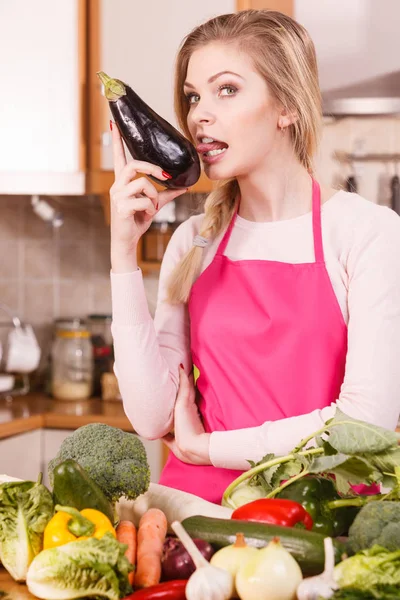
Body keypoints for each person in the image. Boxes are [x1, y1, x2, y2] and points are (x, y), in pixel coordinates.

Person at [109, 10, 400, 504]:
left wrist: (210, 448)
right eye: (193, 95)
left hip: (322, 517)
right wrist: (122, 254)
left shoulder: (367, 233)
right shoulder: (193, 240)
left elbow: (364, 423)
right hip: (195, 517)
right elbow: (151, 416)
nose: (199, 113)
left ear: (286, 105)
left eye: (227, 90)